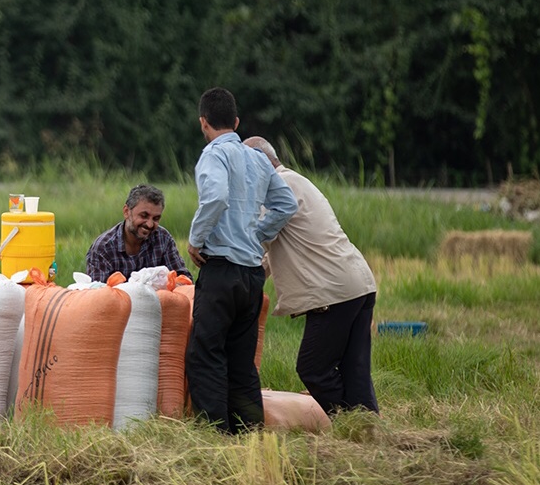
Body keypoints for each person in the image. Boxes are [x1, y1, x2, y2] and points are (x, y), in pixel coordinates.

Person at [186, 87, 297, 434]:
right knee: (242, 361)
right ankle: (249, 432)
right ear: (236, 121)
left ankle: (216, 433)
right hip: (251, 276)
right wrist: (256, 233)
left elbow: (216, 196)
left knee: (206, 354)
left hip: (220, 271)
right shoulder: (258, 158)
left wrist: (195, 239)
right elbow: (286, 205)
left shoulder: (212, 156)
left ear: (203, 123)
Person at [243, 136, 379, 416]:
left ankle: (344, 420)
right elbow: (273, 251)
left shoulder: (274, 188)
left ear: (259, 163)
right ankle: (366, 427)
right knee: (355, 368)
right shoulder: (298, 181)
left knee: (312, 368)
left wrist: (236, 276)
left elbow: (257, 242)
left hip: (332, 290)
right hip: (358, 282)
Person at [85, 184, 192, 282]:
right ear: (126, 212)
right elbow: (98, 293)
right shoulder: (104, 248)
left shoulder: (163, 238)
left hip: (158, 301)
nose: (150, 224)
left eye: (156, 218)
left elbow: (183, 278)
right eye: (144, 216)